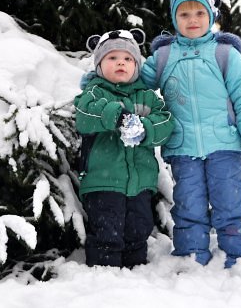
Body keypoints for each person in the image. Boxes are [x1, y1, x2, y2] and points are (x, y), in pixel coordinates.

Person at [80, 0, 241, 268]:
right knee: (189, 204)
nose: (192, 20)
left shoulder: (224, 53)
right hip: (183, 148)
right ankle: (192, 256)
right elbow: (131, 78)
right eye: (184, 13)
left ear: (211, 15)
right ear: (174, 17)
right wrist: (99, 78)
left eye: (199, 12)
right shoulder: (164, 56)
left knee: (230, 202)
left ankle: (240, 255)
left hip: (224, 144)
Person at [74, 28, 175, 268]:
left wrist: (145, 129)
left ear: (136, 66)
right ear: (99, 65)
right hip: (104, 182)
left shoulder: (147, 97)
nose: (121, 62)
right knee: (107, 232)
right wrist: (117, 117)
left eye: (128, 59)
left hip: (140, 183)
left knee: (138, 230)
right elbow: (84, 115)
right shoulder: (94, 93)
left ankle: (135, 276)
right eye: (112, 58)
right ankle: (104, 275)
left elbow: (166, 121)